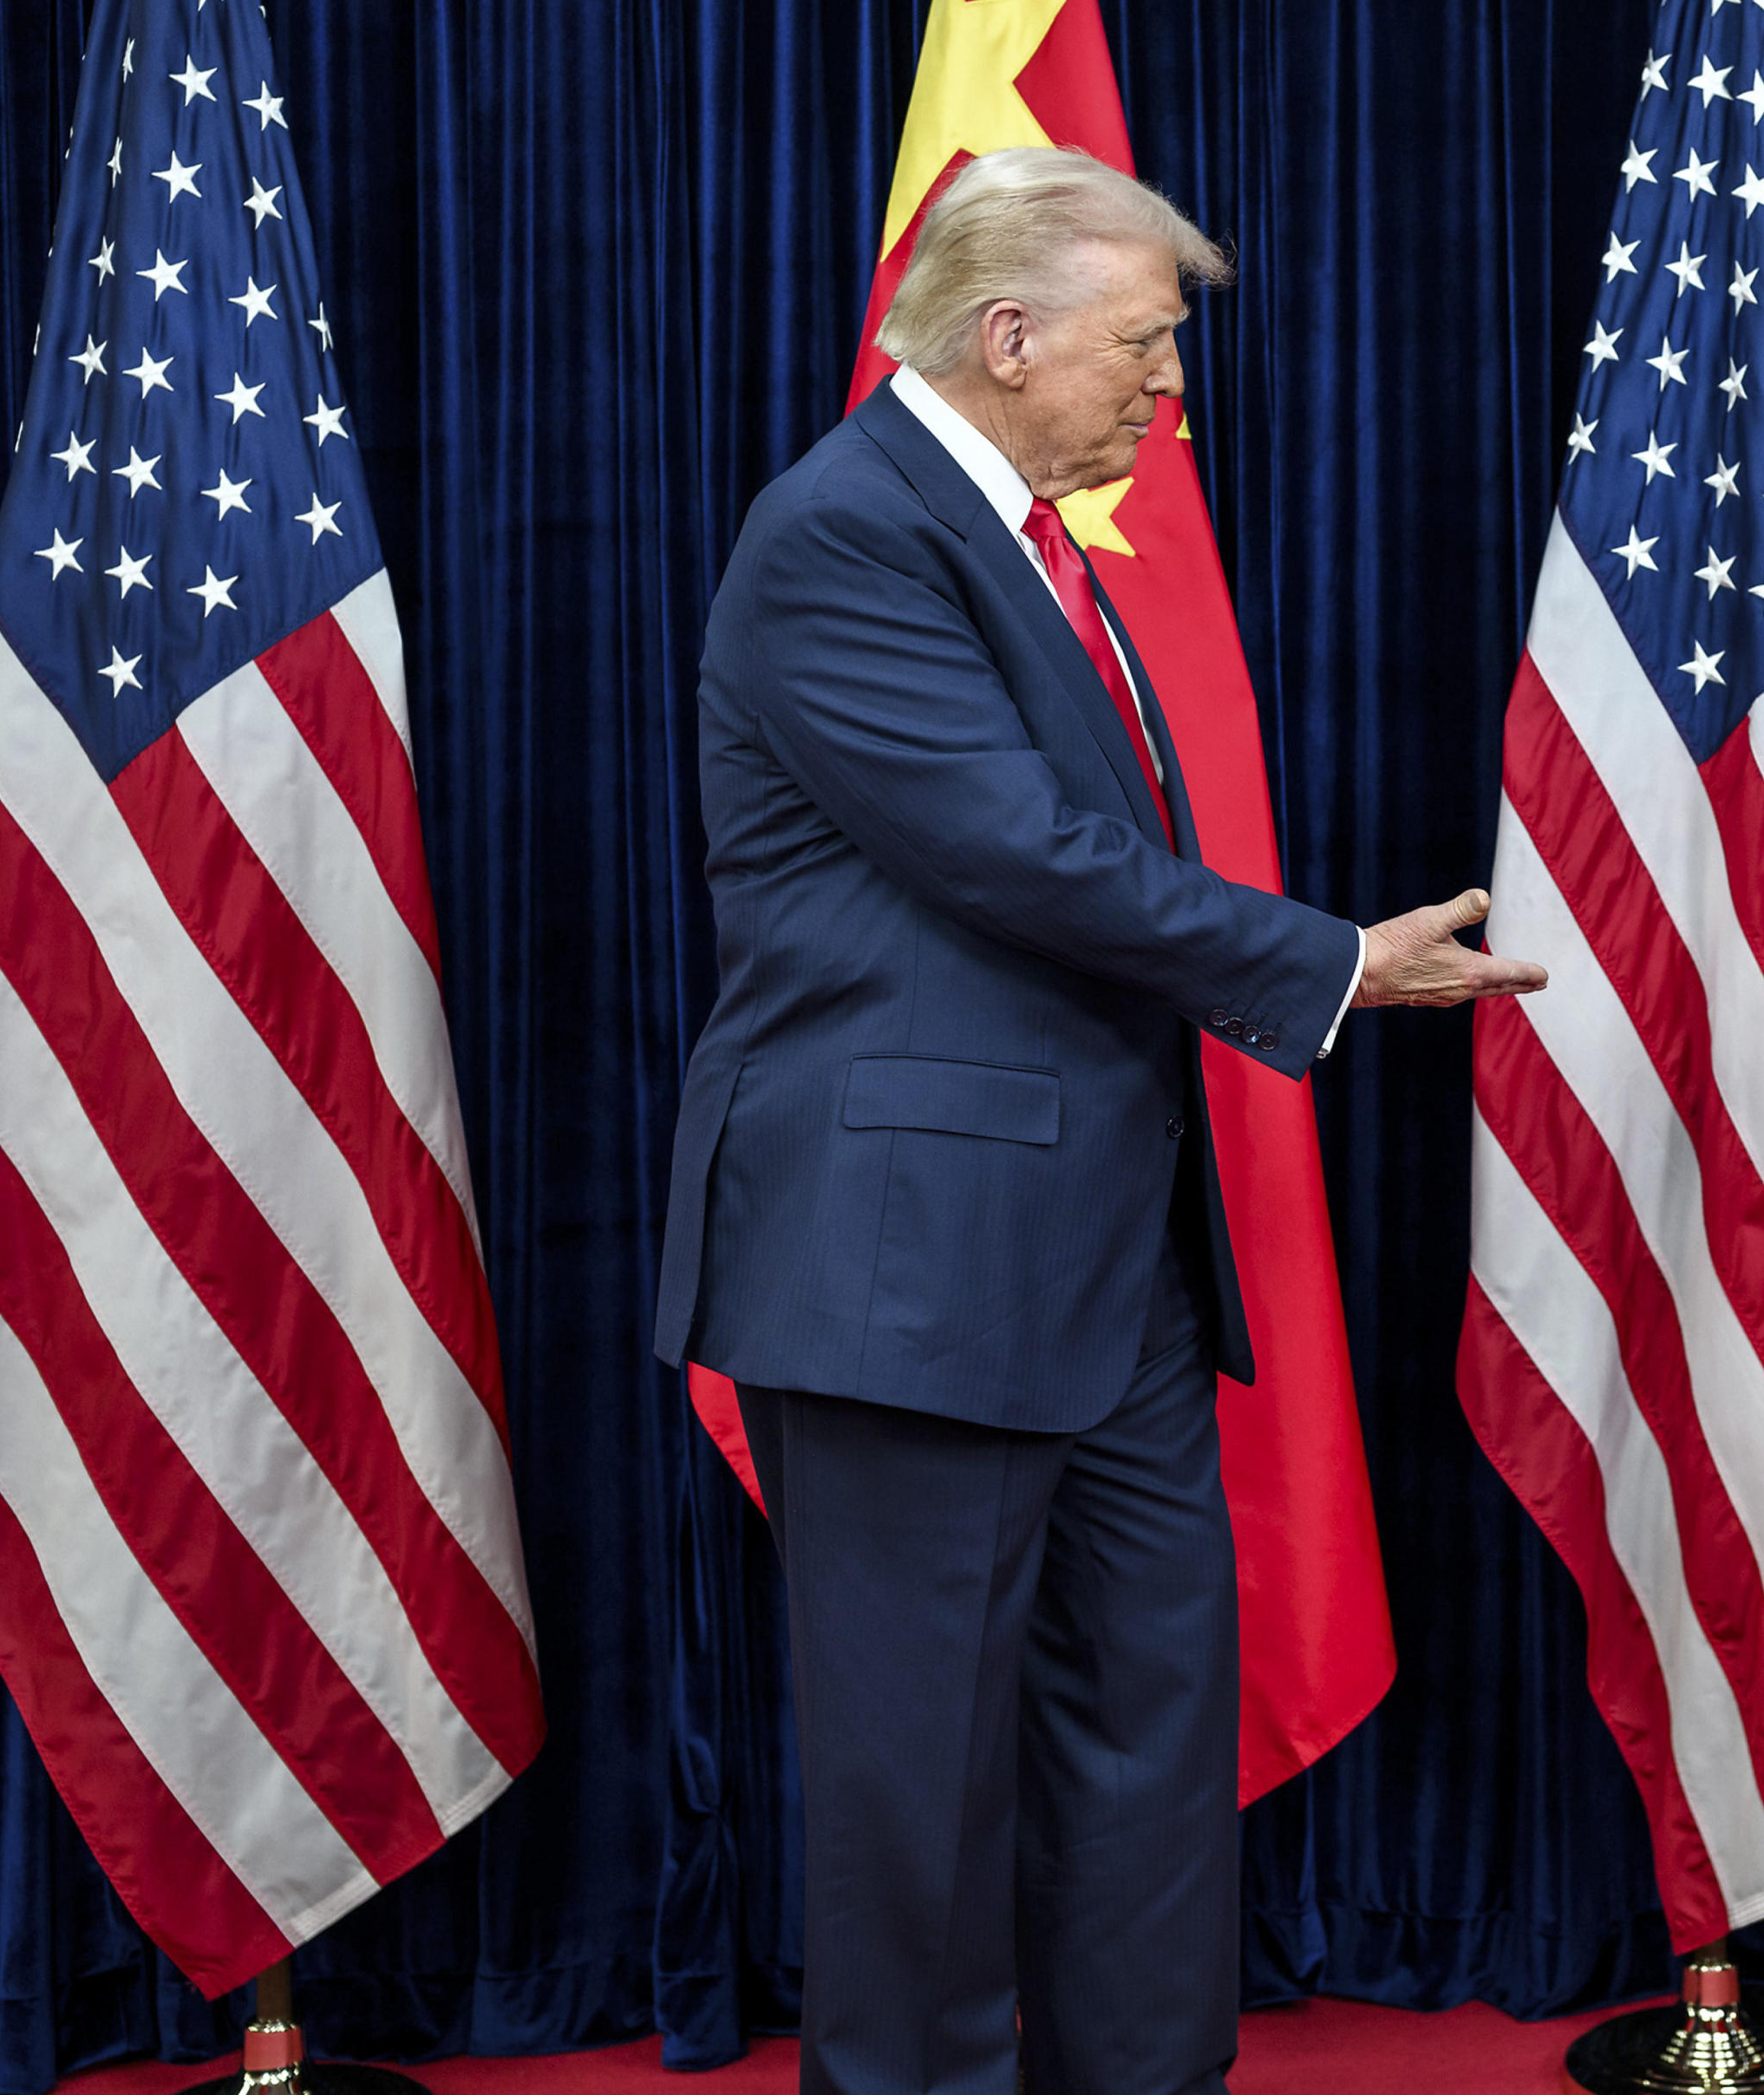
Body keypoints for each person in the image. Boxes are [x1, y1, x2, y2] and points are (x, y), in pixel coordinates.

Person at [653, 145, 1543, 2095]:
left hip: (1106, 1267)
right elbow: (1021, 856)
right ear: (1008, 333)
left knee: (1148, 1743)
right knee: (925, 1800)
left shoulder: (1029, 550)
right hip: (908, 1274)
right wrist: (1332, 966)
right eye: (1143, 343)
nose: (1167, 388)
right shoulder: (843, 536)